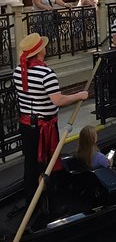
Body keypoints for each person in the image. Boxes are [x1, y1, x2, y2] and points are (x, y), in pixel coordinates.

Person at [13, 33, 88, 204]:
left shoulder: (18, 70)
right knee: (47, 164)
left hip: (26, 126)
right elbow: (58, 100)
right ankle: (50, 203)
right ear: (40, 51)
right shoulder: (46, 73)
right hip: (43, 127)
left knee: (30, 163)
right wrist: (79, 95)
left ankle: (31, 200)